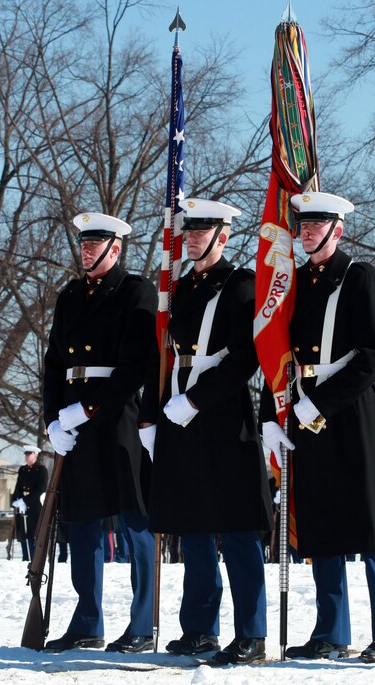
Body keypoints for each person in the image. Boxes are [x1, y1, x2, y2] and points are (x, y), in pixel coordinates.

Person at [260, 191, 375, 664]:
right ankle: (330, 631)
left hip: (351, 412)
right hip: (300, 409)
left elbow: (373, 354)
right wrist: (271, 416)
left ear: (336, 230)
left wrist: (319, 402)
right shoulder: (293, 283)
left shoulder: (358, 276)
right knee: (321, 523)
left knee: (370, 522)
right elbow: (275, 354)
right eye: (301, 226)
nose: (305, 233)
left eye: (314, 226)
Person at [140, 198, 272, 665]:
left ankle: (252, 634)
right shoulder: (179, 289)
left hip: (220, 416)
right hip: (176, 414)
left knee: (236, 529)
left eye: (202, 232)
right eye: (189, 232)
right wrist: (149, 415)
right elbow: (160, 355)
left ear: (224, 235)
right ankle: (199, 627)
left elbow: (246, 357)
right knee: (192, 528)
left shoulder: (242, 286)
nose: (192, 239)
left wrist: (195, 400)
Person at [40, 212, 157, 654]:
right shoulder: (70, 295)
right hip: (73, 421)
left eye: (96, 244)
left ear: (117, 247)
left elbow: (135, 365)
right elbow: (53, 363)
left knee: (135, 523)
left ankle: (142, 623)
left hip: (118, 419)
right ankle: (88, 621)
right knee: (83, 524)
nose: (86, 251)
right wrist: (53, 420)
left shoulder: (135, 291)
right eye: (84, 244)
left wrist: (85, 411)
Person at [12, 445, 48, 561]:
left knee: (33, 533)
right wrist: (16, 500)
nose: (26, 457)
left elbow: (40, 489)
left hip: (34, 505)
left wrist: (25, 501)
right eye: (26, 455)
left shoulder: (41, 470)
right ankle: (25, 556)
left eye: (29, 454)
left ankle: (34, 557)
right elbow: (18, 487)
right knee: (22, 533)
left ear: (35, 455)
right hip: (22, 505)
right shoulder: (22, 470)